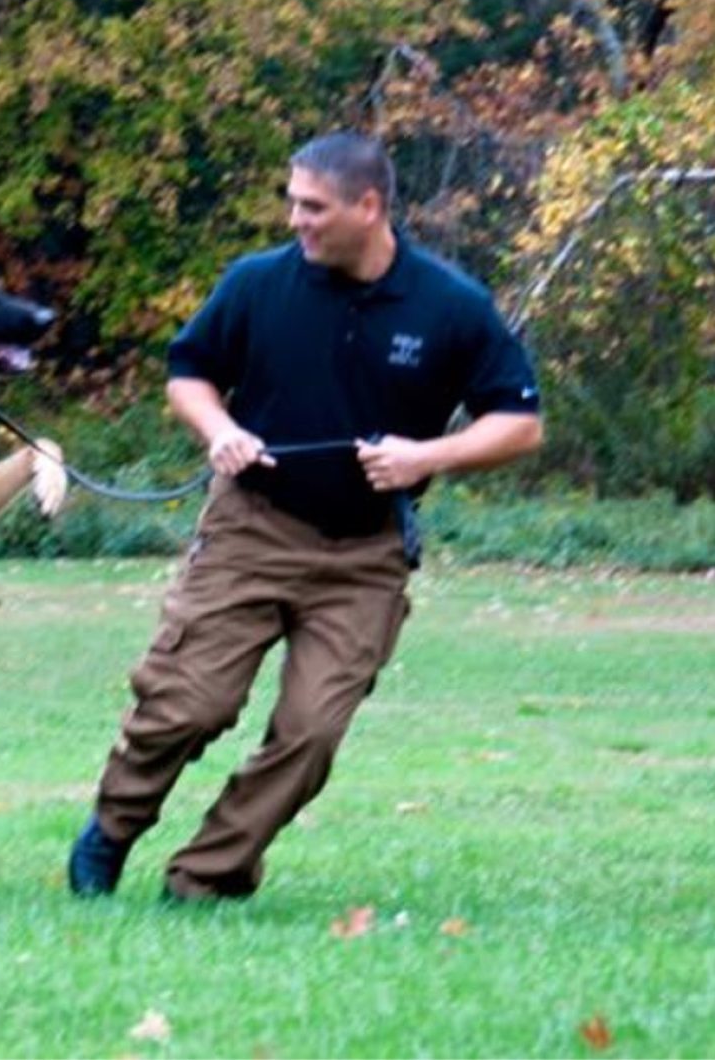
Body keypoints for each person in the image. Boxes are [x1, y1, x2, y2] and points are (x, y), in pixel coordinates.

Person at [68, 130, 543, 901]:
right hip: (251, 529)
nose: (297, 220)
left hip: (365, 555)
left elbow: (520, 423)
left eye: (313, 207)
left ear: (369, 206)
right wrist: (221, 431)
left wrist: (428, 457)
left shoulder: (450, 304)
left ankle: (206, 876)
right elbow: (189, 373)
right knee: (188, 704)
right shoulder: (257, 284)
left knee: (312, 734)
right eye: (292, 203)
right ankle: (113, 828)